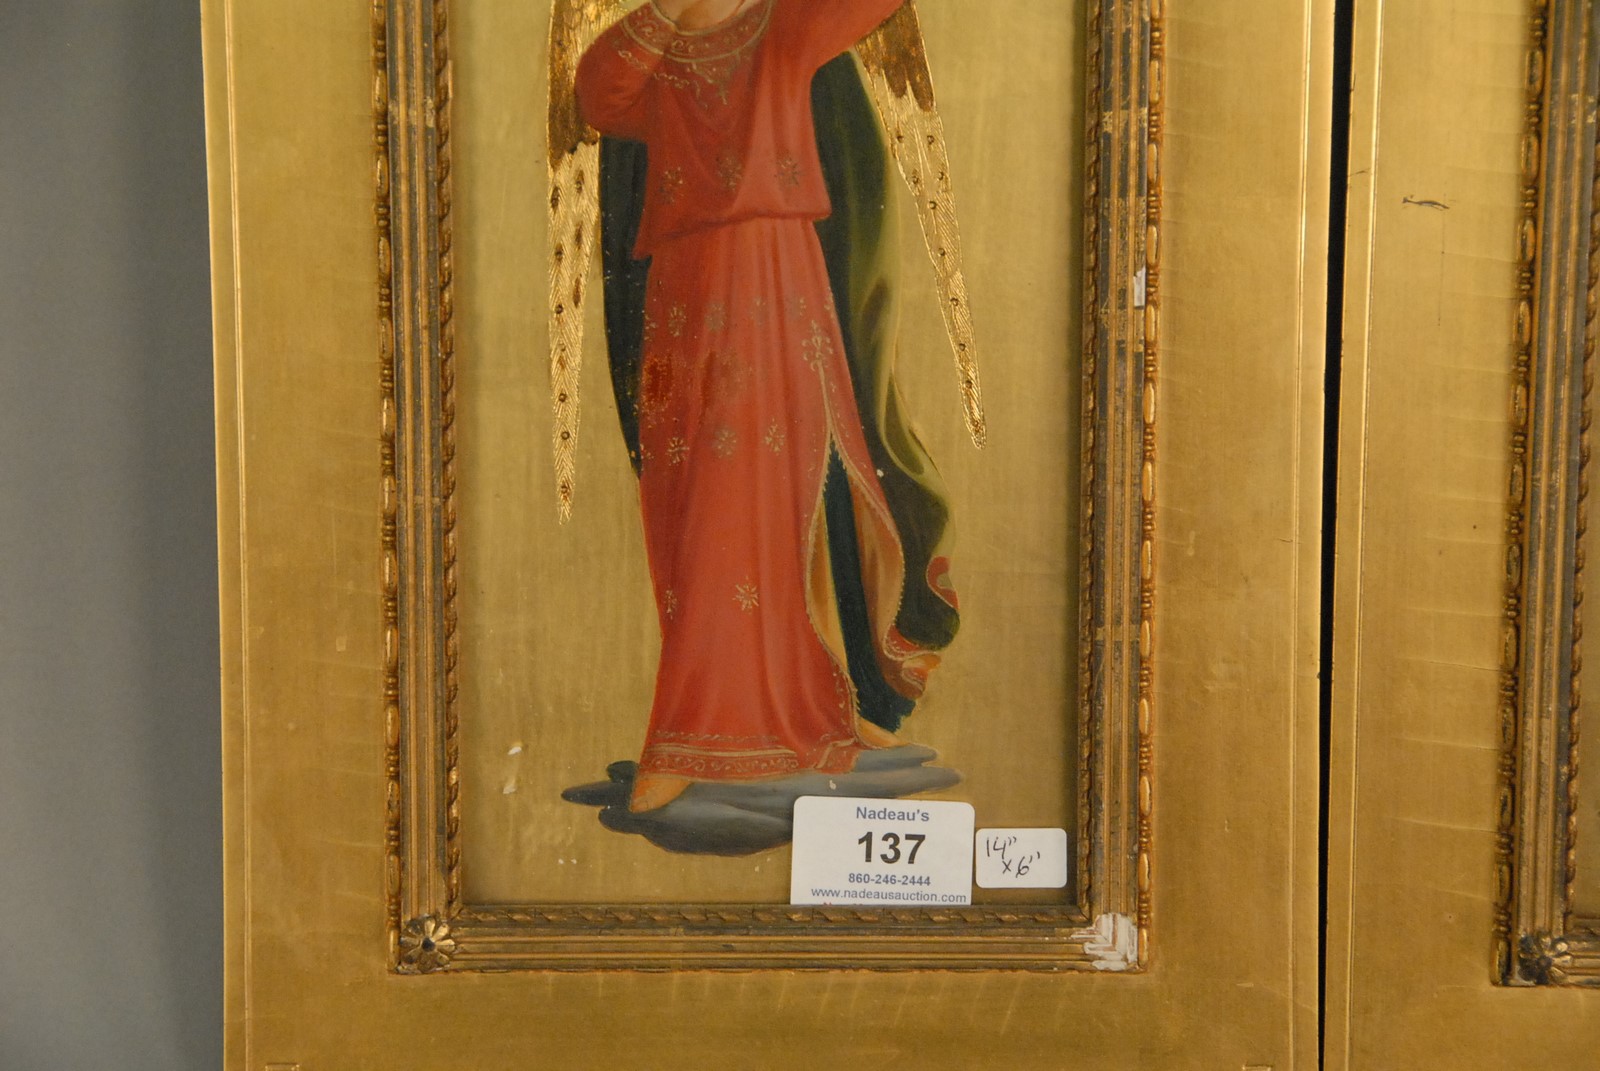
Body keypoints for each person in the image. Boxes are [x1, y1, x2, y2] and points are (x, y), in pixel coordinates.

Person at [576, 0, 960, 813]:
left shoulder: (782, 24)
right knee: (692, 505)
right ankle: (703, 731)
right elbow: (597, 96)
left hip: (774, 274)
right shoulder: (658, 50)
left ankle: (806, 716)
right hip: (684, 287)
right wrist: (668, 12)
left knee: (775, 497)